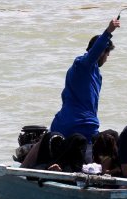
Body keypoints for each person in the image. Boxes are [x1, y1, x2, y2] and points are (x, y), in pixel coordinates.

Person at [21, 18, 121, 169]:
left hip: (67, 122)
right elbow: (93, 54)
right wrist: (108, 32)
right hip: (81, 125)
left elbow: (65, 95)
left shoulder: (93, 74)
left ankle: (26, 168)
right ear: (101, 52)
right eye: (107, 54)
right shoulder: (82, 64)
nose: (107, 58)